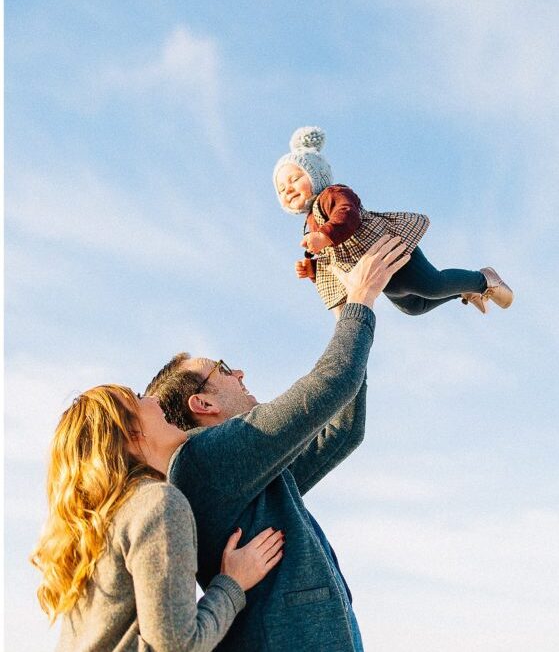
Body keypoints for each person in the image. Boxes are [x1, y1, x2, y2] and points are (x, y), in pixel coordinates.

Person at [144, 236, 409, 652]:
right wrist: (359, 303)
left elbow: (341, 432)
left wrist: (343, 308)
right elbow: (328, 387)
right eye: (225, 370)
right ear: (203, 403)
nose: (241, 374)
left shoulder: (245, 469)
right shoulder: (204, 458)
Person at [31, 384, 285, 651]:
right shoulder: (157, 503)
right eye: (139, 398)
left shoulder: (101, 522)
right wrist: (231, 584)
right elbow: (178, 646)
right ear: (129, 433)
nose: (153, 398)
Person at [274, 125, 514, 318]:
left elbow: (348, 214)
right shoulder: (310, 223)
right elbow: (333, 261)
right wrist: (314, 269)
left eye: (295, 179)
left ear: (316, 176)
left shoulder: (332, 195)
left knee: (431, 284)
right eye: (282, 188)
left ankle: (483, 279)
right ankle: (462, 288)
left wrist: (324, 235)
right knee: (414, 307)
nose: (289, 189)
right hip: (379, 273)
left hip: (390, 250)